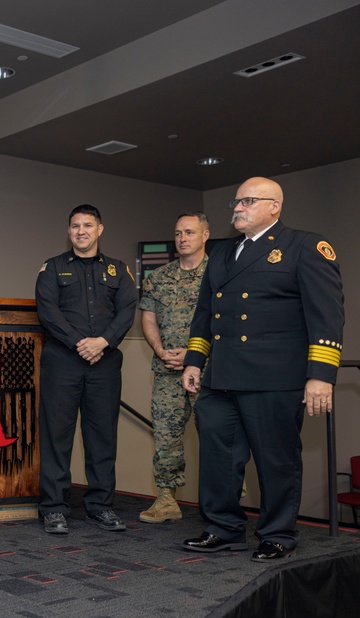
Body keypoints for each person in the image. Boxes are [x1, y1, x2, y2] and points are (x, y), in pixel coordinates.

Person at [181, 177, 344, 561]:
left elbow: (327, 315)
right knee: (218, 458)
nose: (237, 207)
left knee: (276, 459)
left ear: (274, 206)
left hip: (275, 377)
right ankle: (223, 528)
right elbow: (206, 312)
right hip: (221, 376)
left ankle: (277, 534)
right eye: (236, 202)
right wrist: (194, 359)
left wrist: (321, 374)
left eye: (248, 201)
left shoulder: (304, 246)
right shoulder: (221, 253)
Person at [35, 204, 138, 535]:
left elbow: (126, 311)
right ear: (69, 232)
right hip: (63, 363)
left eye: (88, 225)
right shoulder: (52, 269)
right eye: (75, 226)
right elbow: (48, 311)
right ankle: (53, 508)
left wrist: (103, 343)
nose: (81, 231)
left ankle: (100, 506)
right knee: (57, 437)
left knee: (102, 438)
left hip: (104, 365)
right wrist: (82, 342)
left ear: (100, 229)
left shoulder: (118, 271)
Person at [137, 213, 210, 523]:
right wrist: (160, 349)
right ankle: (166, 500)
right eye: (178, 232)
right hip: (167, 371)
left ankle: (223, 504)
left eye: (190, 232)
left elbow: (227, 321)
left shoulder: (220, 274)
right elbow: (149, 318)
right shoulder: (159, 276)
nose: (183, 238)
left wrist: (194, 355)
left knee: (216, 436)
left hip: (209, 372)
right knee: (166, 437)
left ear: (205, 235)